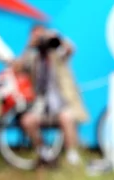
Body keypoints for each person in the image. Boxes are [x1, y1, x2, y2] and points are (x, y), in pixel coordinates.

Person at [16, 24, 89, 168]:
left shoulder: (57, 55)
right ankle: (44, 153)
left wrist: (57, 38)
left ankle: (72, 155)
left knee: (66, 117)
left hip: (61, 103)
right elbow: (18, 68)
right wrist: (29, 46)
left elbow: (71, 49)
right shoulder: (32, 57)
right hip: (40, 106)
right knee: (28, 121)